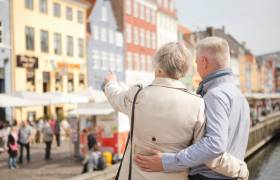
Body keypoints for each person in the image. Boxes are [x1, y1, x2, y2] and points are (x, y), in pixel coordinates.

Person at [104, 42, 248, 180]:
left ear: (159, 68)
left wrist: (110, 82)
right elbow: (206, 154)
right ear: (183, 71)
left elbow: (115, 96)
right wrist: (239, 168)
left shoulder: (136, 95)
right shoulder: (197, 104)